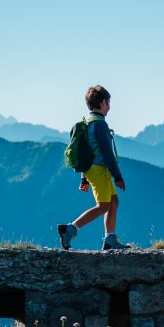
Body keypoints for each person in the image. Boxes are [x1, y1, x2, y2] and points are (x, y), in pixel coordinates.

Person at [57, 85, 128, 250]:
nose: (109, 106)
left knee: (113, 202)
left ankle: (110, 239)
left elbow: (86, 151)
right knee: (103, 206)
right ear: (103, 102)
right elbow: (107, 153)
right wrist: (118, 176)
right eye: (108, 102)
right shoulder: (100, 125)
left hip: (92, 169)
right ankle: (69, 229)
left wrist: (84, 177)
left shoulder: (88, 122)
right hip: (99, 170)